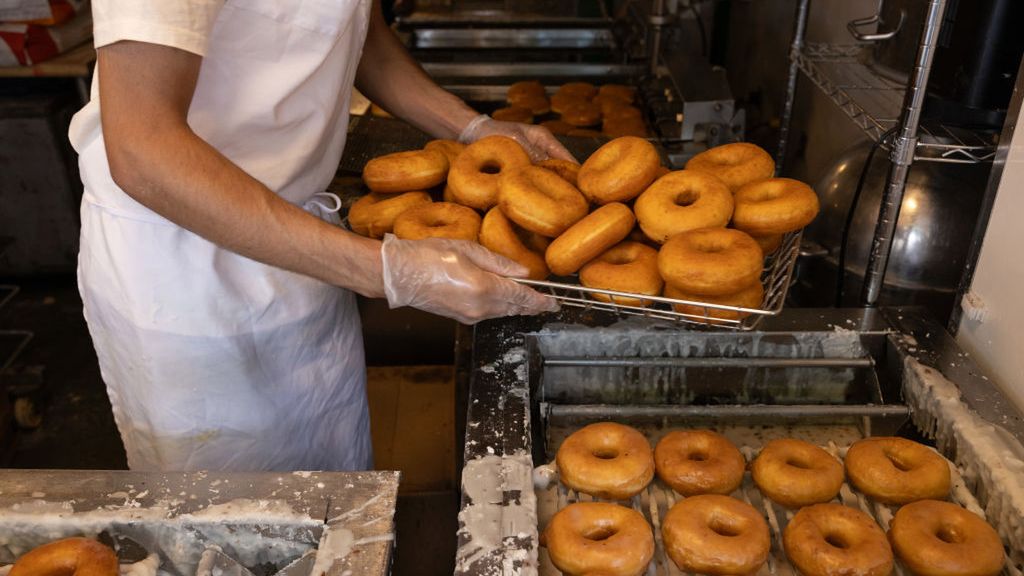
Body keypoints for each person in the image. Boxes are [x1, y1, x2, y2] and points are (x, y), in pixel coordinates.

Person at [68, 0, 569, 472]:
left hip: (301, 242)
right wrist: (386, 270)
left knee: (336, 504)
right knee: (231, 532)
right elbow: (142, 150)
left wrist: (473, 127)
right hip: (190, 269)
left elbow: (353, 31)